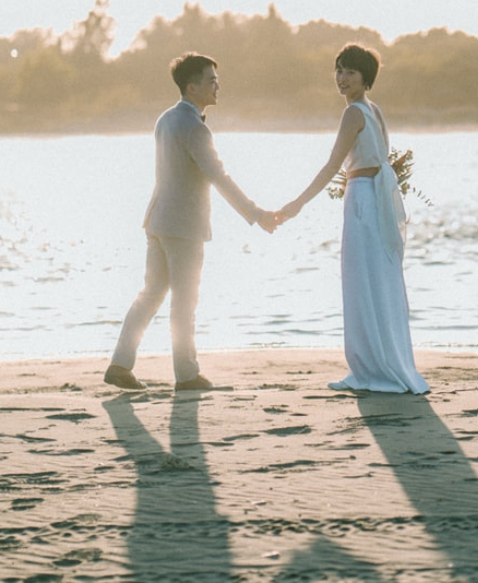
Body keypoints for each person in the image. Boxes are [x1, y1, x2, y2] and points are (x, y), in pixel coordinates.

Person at [104, 53, 276, 392]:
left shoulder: (166, 119)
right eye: (211, 80)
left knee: (151, 294)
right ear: (191, 85)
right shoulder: (194, 127)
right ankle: (186, 374)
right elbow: (219, 176)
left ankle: (120, 364)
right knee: (184, 301)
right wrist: (256, 214)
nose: (217, 85)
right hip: (182, 226)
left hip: (157, 219)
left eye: (216, 79)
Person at [278, 44, 429, 394]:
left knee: (362, 280)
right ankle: (386, 362)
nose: (342, 78)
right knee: (379, 278)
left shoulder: (355, 113)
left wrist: (298, 203)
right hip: (373, 195)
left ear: (366, 78)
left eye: (350, 72)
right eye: (339, 70)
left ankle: (371, 369)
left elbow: (334, 164)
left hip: (363, 196)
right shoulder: (373, 111)